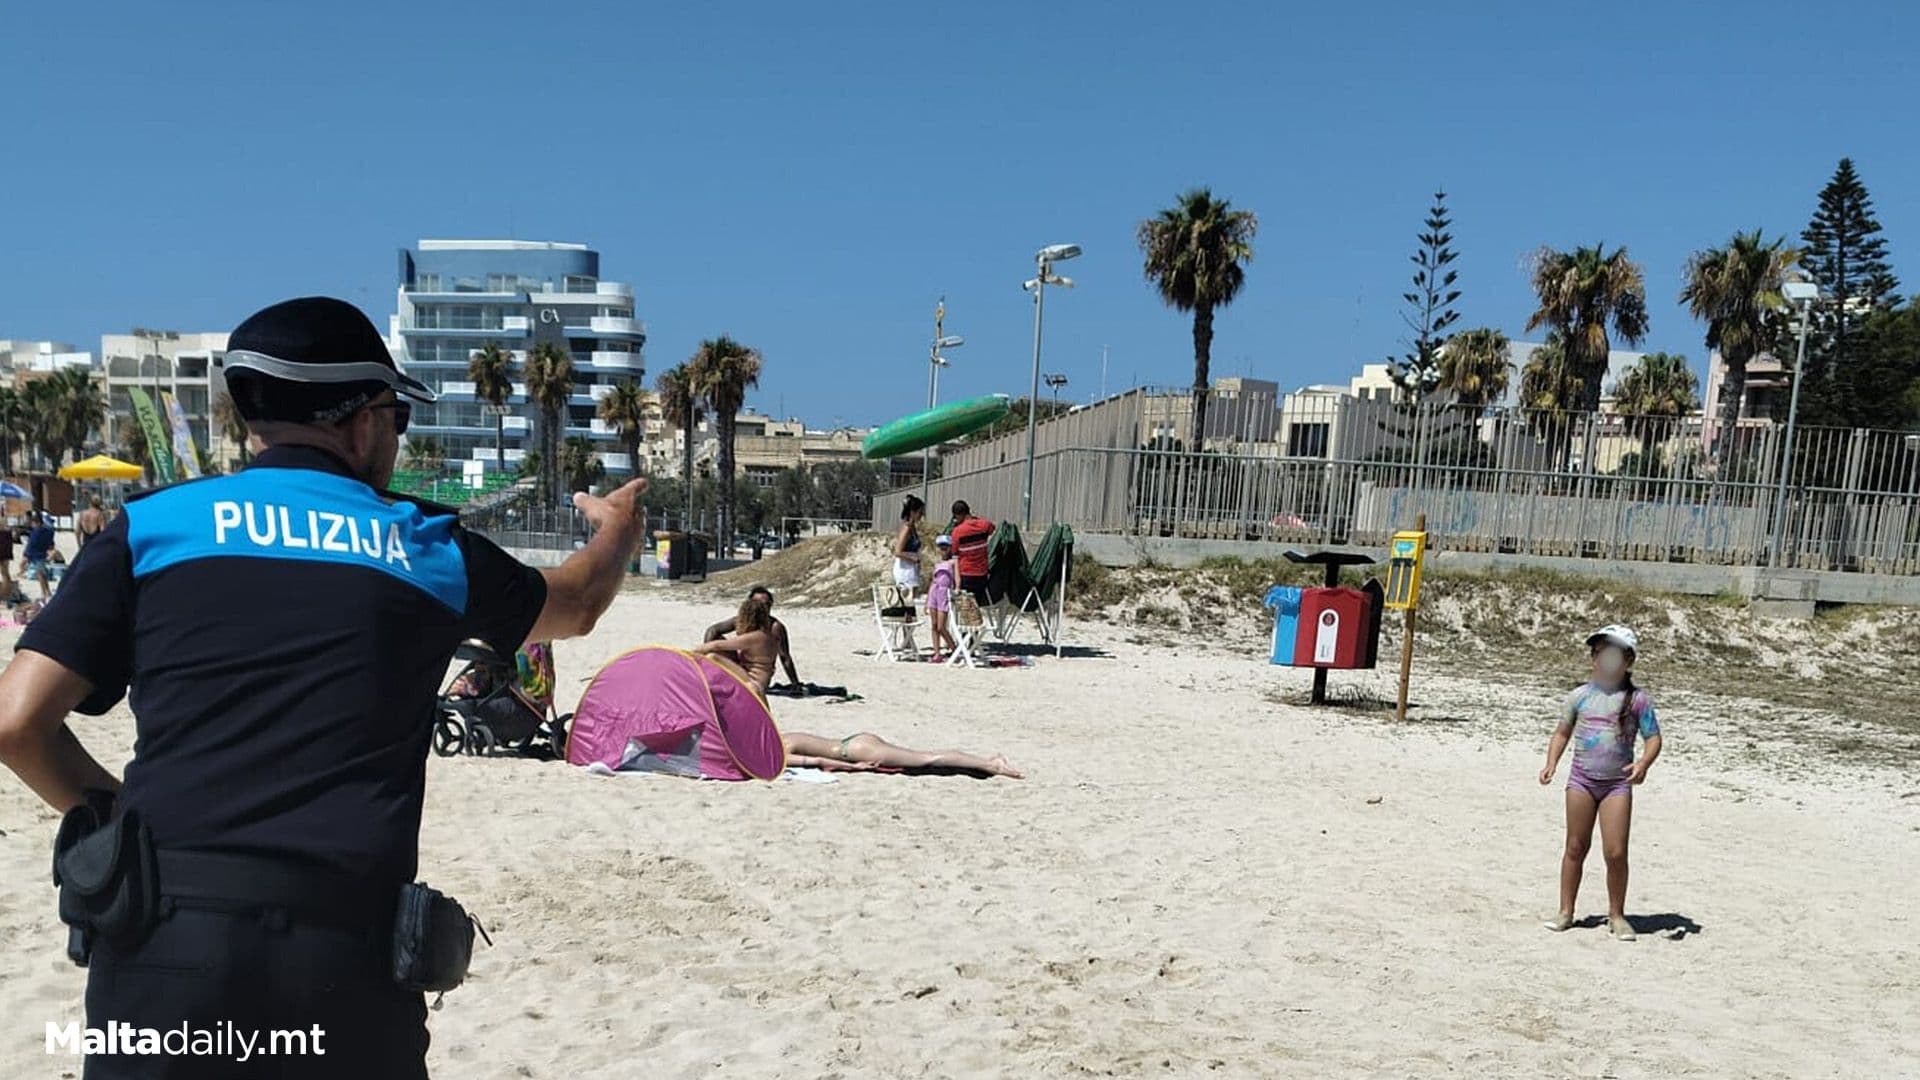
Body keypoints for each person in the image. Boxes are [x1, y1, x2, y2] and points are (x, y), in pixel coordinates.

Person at [0, 296, 648, 1078]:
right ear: (364, 422)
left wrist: (116, 813)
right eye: (397, 416)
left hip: (161, 940)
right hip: (341, 954)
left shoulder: (151, 529)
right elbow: (577, 602)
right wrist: (616, 530)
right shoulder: (427, 549)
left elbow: (16, 723)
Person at [1538, 624, 1664, 942]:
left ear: (1628, 661)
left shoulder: (1637, 701)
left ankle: (1617, 915)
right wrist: (1551, 762)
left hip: (1616, 785)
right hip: (1581, 781)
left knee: (1616, 851)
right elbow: (1562, 732)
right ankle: (1566, 911)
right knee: (1575, 846)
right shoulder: (1579, 696)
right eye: (1599, 653)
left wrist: (1643, 763)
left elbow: (1653, 738)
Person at [781, 731, 1023, 779]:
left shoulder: (778, 754)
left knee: (928, 759)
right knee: (923, 756)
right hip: (854, 740)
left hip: (854, 752)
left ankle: (991, 765)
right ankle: (987, 762)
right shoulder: (781, 736)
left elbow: (818, 761)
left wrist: (856, 768)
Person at [703, 585, 801, 692]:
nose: (763, 608)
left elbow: (785, 656)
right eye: (758, 604)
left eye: (766, 604)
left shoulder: (775, 627)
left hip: (757, 676)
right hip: (740, 665)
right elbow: (712, 630)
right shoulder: (740, 621)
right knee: (714, 646)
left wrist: (795, 683)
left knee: (714, 649)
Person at [694, 594, 780, 693]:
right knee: (714, 655)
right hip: (756, 678)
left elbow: (717, 645)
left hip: (753, 682)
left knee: (712, 656)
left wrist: (690, 653)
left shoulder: (756, 637)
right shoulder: (767, 635)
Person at [948, 500, 995, 604]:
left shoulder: (957, 531)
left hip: (966, 574)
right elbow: (992, 529)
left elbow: (955, 553)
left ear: (958, 515)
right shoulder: (984, 525)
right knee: (977, 604)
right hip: (982, 574)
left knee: (966, 606)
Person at [926, 534, 957, 661]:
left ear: (950, 547)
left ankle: (955, 649)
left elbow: (957, 579)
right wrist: (927, 600)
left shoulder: (954, 561)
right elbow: (933, 580)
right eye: (940, 546)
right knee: (934, 624)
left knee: (941, 626)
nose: (943, 549)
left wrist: (957, 590)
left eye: (945, 546)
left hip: (944, 592)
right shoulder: (938, 563)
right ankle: (937, 653)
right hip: (934, 591)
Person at [892, 495, 926, 590]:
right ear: (912, 512)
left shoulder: (912, 527)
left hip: (911, 568)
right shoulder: (906, 529)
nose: (921, 515)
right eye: (920, 512)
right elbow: (897, 552)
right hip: (905, 570)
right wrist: (914, 559)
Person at [21, 511, 56, 600]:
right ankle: (46, 592)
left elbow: (31, 545)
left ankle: (45, 593)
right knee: (42, 573)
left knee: (40, 574)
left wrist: (26, 555)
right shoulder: (48, 531)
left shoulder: (36, 532)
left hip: (36, 555)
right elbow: (51, 544)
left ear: (35, 522)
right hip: (42, 554)